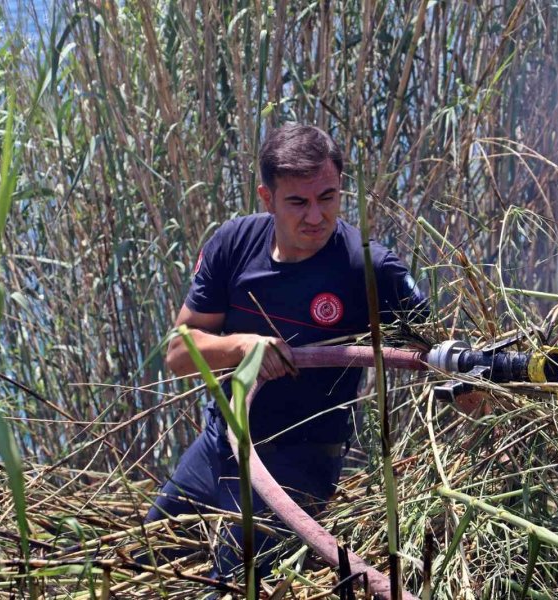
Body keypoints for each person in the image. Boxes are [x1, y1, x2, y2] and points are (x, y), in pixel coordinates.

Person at [144, 123, 425, 580]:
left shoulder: (367, 268)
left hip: (301, 458)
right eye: (298, 202)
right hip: (223, 440)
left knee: (237, 581)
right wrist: (245, 346)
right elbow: (179, 351)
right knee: (148, 556)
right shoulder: (233, 245)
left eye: (328, 197)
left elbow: (432, 348)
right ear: (267, 198)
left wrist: (470, 388)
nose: (316, 216)